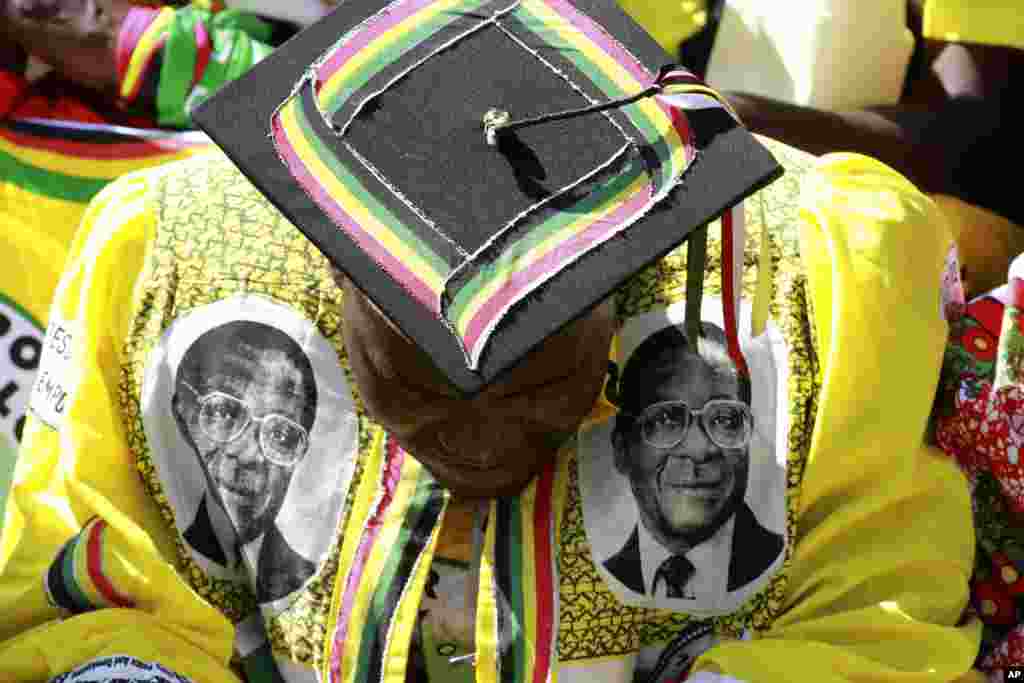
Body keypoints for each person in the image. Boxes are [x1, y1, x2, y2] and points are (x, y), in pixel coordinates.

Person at [0, 3, 981, 682]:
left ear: (627, 279)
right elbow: (101, 580)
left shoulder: (816, 278)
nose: (477, 438)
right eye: (418, 386)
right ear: (329, 281)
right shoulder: (175, 267)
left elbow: (871, 611)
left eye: (536, 386)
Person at [605, 322, 783, 602]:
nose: (700, 449)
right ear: (622, 449)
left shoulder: (793, 569)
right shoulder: (603, 582)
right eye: (666, 419)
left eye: (725, 419)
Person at [172, 320, 318, 603]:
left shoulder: (309, 588)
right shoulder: (146, 548)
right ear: (184, 416)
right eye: (226, 413)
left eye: (281, 434)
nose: (249, 454)